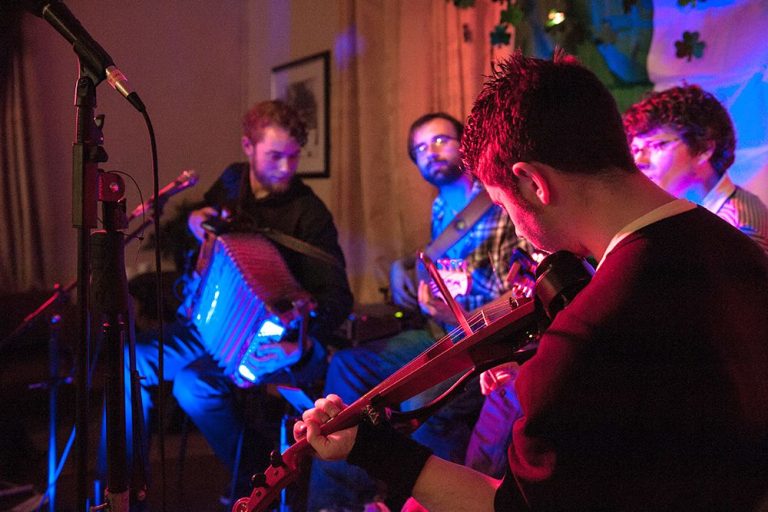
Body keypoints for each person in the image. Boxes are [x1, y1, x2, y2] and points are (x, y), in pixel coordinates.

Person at [295, 52, 768, 511]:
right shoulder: (744, 251)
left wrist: (375, 451)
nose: (517, 227)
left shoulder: (587, 333)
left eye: (504, 206)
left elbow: (509, 507)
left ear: (534, 184)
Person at [125, 100, 353, 503]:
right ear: (248, 147)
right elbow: (203, 240)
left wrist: (302, 327)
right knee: (133, 361)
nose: (286, 167)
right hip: (209, 324)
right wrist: (194, 222)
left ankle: (257, 478)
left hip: (273, 340)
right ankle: (127, 484)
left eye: (293, 157)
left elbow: (338, 299)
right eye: (274, 156)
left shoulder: (309, 213)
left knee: (193, 386)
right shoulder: (233, 181)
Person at [306, 113, 530, 511]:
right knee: (346, 366)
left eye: (441, 140)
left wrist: (452, 308)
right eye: (421, 149)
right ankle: (341, 502)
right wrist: (407, 271)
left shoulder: (495, 202)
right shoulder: (442, 207)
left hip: (483, 341)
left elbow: (513, 297)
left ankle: (425, 501)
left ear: (464, 144)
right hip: (439, 332)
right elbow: (446, 264)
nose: (432, 152)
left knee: (422, 397)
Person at [623, 84, 768, 253]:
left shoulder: (737, 231)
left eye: (657, 145)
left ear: (704, 149)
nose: (639, 160)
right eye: (636, 149)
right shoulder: (691, 216)